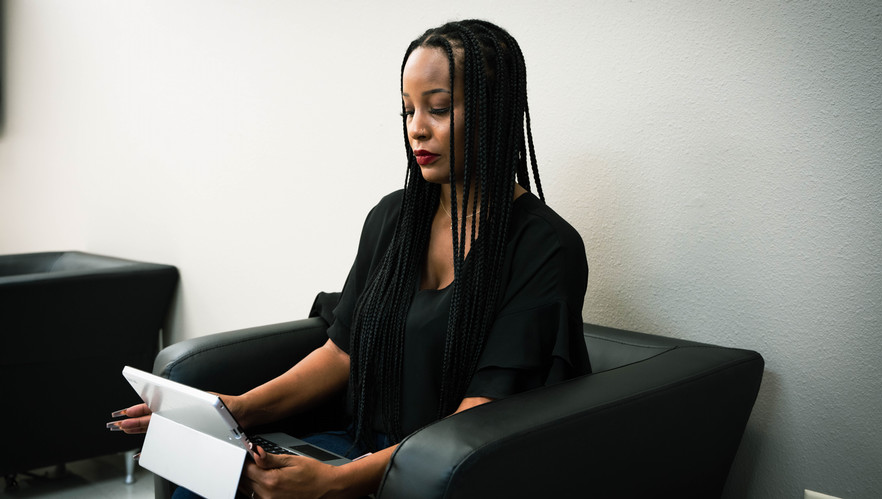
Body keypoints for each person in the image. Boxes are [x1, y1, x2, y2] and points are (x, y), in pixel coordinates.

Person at [111, 19, 590, 499]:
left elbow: (480, 416)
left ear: (495, 113)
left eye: (438, 109)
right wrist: (236, 410)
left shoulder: (545, 248)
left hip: (437, 478)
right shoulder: (393, 218)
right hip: (355, 447)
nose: (416, 129)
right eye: (407, 111)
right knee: (202, 488)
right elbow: (342, 351)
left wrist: (336, 483)